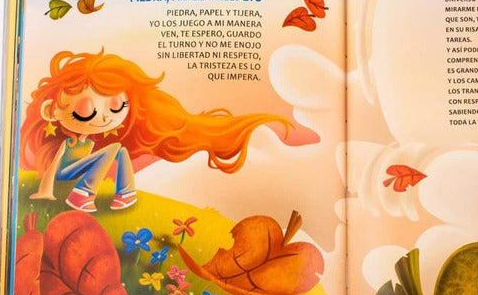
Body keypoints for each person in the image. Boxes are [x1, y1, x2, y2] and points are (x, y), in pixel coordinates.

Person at [20, 49, 288, 212]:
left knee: (118, 150)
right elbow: (54, 167)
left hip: (80, 169)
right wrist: (45, 191)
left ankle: (125, 194)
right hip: (66, 173)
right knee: (112, 149)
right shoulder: (66, 142)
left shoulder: (92, 141)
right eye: (86, 110)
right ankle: (83, 195)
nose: (103, 118)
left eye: (116, 106)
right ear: (51, 111)